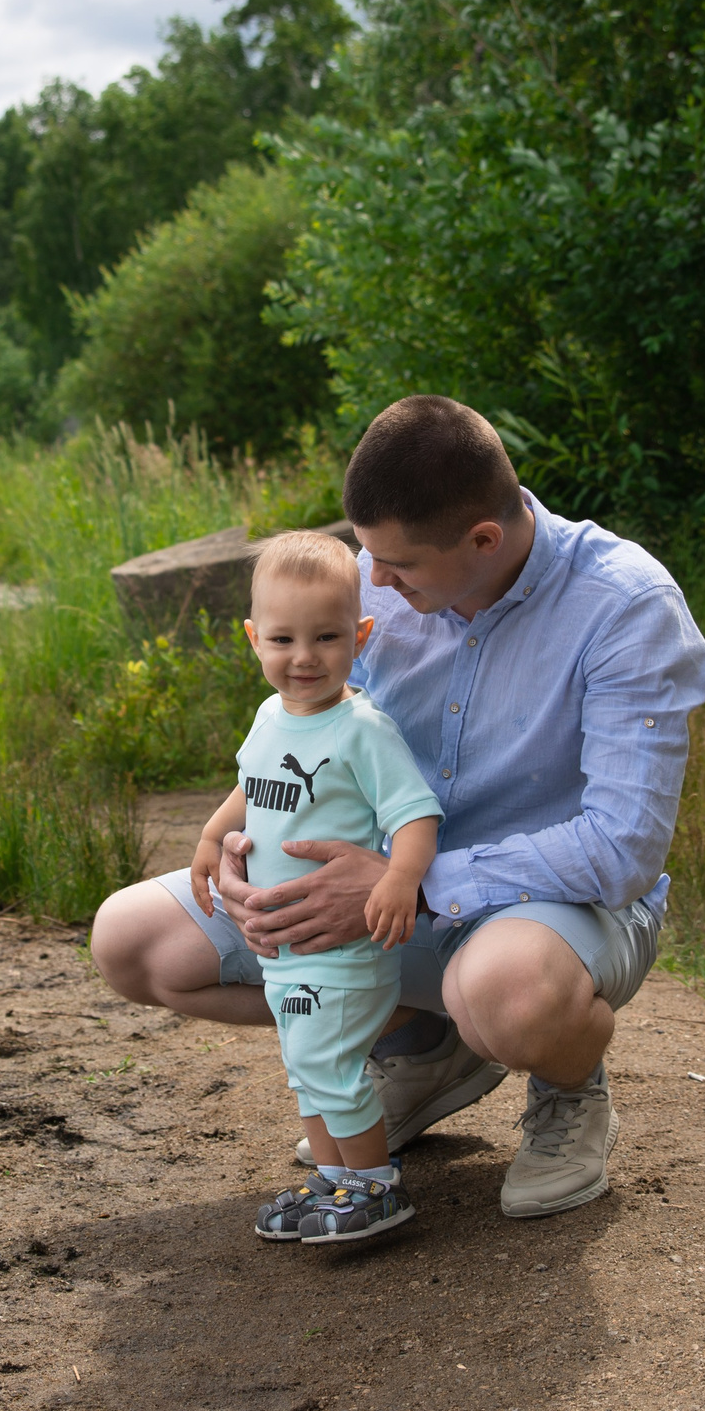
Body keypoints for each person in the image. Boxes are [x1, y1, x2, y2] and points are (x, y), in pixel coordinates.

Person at [93, 395, 705, 1218]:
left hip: (551, 911)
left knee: (506, 991)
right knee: (132, 943)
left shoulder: (625, 607)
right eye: (364, 555)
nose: (372, 583)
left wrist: (406, 883)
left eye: (398, 568)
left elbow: (622, 847)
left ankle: (568, 1085)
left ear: (483, 540)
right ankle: (420, 1044)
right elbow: (318, 740)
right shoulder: (372, 576)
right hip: (380, 903)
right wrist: (253, 844)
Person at [186, 529, 445, 1243]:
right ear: (253, 638)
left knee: (329, 1063)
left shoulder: (362, 730)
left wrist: (401, 876)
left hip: (343, 947)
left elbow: (416, 814)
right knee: (305, 1064)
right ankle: (334, 1183)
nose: (304, 658)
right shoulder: (272, 716)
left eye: (327, 637)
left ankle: (375, 1187)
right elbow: (250, 786)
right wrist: (213, 837)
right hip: (284, 946)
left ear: (360, 635)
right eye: (283, 638)